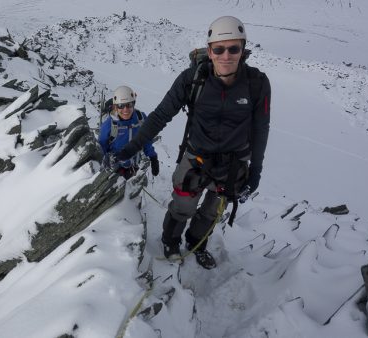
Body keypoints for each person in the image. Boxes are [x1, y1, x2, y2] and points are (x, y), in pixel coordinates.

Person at [116, 16, 271, 268]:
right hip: (196, 158)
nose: (226, 56)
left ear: (243, 49)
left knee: (212, 211)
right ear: (209, 51)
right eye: (219, 49)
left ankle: (196, 243)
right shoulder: (192, 79)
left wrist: (255, 170)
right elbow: (161, 115)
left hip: (233, 166)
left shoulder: (257, 83)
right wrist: (132, 148)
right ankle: (171, 241)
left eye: (234, 48)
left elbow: (260, 127)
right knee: (182, 206)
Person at [99, 85, 159, 179]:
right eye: (121, 106)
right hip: (115, 169)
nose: (125, 109)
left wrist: (153, 157)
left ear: (134, 104)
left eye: (129, 105)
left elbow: (146, 139)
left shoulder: (140, 119)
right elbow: (101, 147)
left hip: (134, 167)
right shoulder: (109, 125)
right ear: (115, 107)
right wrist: (104, 160)